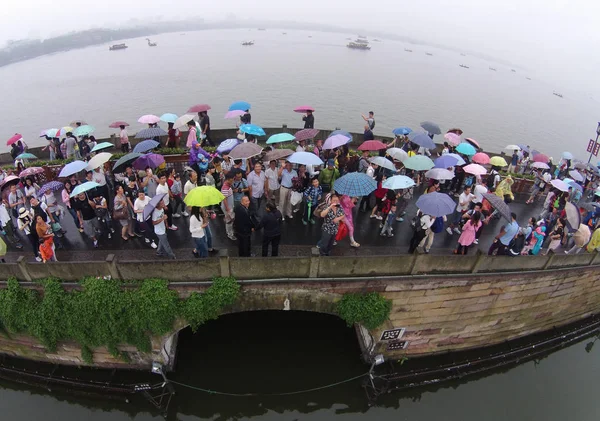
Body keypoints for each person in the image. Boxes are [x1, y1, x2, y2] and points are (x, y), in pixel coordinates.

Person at [221, 173, 236, 241]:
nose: (233, 180)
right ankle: (230, 234)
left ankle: (230, 231)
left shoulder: (228, 185)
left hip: (230, 206)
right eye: (232, 179)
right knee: (229, 221)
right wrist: (228, 209)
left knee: (230, 220)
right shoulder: (225, 188)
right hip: (228, 207)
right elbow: (224, 199)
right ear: (229, 179)